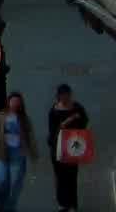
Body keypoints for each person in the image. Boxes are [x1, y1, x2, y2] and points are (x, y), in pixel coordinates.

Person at [0, 90, 34, 211]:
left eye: (17, 102)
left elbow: (29, 137)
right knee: (0, 182)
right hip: (2, 153)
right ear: (8, 103)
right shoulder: (0, 117)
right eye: (13, 101)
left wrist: (32, 153)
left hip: (18, 155)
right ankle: (2, 202)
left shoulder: (24, 119)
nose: (15, 104)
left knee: (15, 184)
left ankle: (8, 208)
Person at [49, 83, 89, 212]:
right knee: (60, 176)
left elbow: (85, 123)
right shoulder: (54, 110)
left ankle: (72, 204)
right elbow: (53, 129)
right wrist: (70, 119)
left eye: (67, 95)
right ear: (59, 96)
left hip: (73, 146)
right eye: (63, 95)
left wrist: (78, 119)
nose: (65, 98)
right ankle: (62, 204)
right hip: (58, 147)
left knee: (71, 176)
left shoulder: (77, 107)